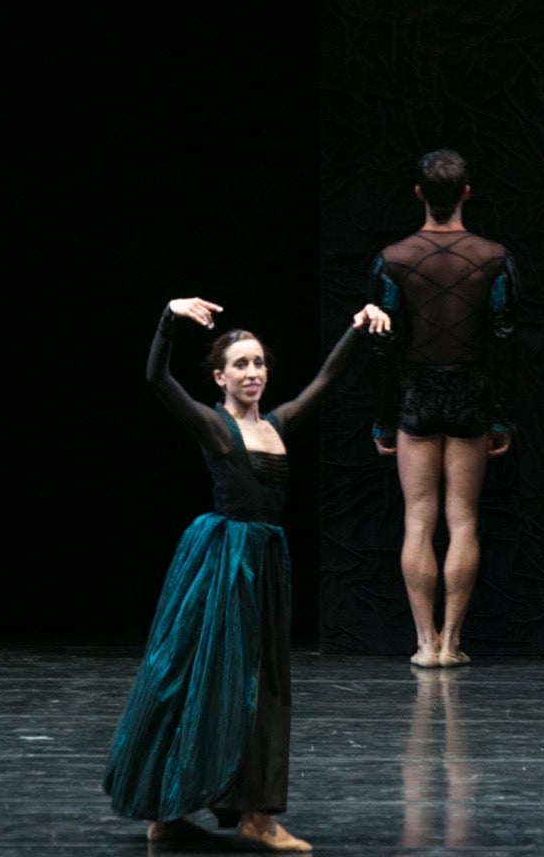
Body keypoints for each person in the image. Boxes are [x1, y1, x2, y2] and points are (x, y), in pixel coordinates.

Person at [104, 295, 389, 852]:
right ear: (220, 377)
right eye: (241, 364)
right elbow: (156, 376)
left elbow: (327, 380)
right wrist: (167, 317)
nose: (253, 372)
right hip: (222, 566)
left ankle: (256, 814)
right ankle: (168, 806)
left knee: (264, 690)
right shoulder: (213, 425)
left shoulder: (279, 423)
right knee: (195, 682)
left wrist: (357, 328)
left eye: (259, 363)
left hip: (264, 566)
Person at [370, 149, 519, 668]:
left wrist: (382, 419)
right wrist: (499, 416)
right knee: (462, 519)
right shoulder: (494, 257)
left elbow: (383, 345)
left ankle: (424, 642)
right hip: (471, 392)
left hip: (414, 392)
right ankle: (451, 643)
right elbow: (503, 341)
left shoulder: (393, 259)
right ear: (466, 194)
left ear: (418, 194)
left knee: (418, 519)